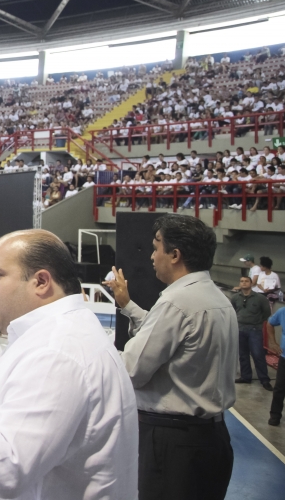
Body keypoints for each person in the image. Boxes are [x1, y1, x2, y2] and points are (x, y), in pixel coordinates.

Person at [0, 230, 137, 500]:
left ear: (41, 281)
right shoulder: (55, 334)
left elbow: (8, 467)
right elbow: (17, 405)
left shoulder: (57, 350)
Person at [107, 214, 236, 500]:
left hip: (173, 443)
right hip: (211, 438)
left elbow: (132, 371)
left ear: (175, 254)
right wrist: (127, 305)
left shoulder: (175, 302)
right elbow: (171, 340)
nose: (152, 256)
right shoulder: (217, 299)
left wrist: (96, 349)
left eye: (156, 248)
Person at [230, 276, 273, 389]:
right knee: (243, 355)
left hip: (254, 330)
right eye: (241, 281)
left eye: (246, 281)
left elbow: (266, 313)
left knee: (258, 355)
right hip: (240, 329)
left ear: (251, 283)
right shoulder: (235, 298)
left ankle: (264, 379)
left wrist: (257, 323)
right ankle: (246, 377)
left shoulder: (260, 298)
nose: (243, 283)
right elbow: (233, 311)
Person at [267, 291, 285, 427]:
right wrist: (272, 342)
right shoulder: (283, 312)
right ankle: (275, 417)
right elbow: (270, 323)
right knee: (279, 389)